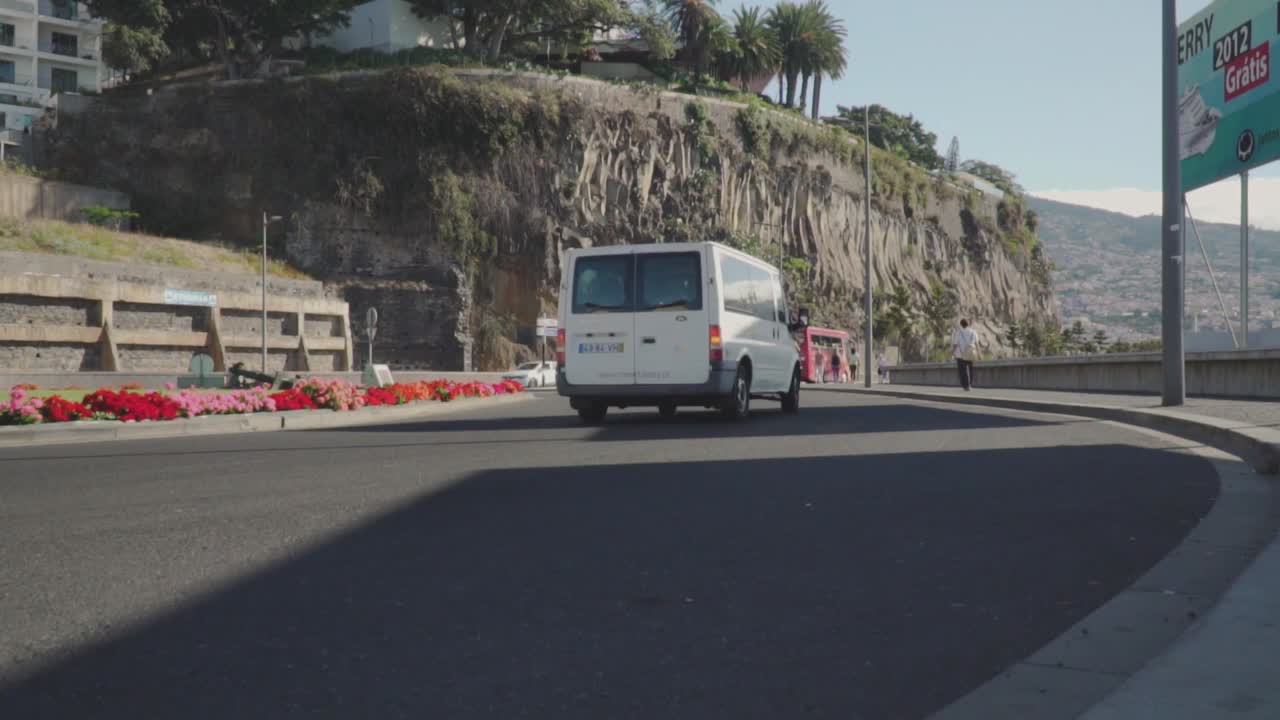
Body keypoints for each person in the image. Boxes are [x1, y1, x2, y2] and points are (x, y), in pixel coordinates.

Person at [952, 318, 979, 391]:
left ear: (961, 325)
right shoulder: (973, 332)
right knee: (970, 369)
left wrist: (952, 352)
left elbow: (955, 344)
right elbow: (977, 343)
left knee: (962, 371)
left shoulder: (958, 332)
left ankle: (965, 386)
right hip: (970, 353)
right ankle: (970, 384)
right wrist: (979, 353)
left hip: (961, 354)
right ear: (968, 324)